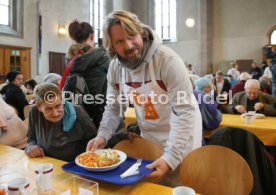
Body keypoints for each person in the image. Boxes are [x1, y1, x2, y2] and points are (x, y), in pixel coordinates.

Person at [86, 10, 202, 179]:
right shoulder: (115, 68)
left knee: (180, 183)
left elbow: (184, 112)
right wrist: (103, 134)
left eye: (131, 36)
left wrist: (171, 156)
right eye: (119, 41)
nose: (128, 45)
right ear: (112, 45)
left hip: (182, 136)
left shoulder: (167, 61)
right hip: (150, 135)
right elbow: (113, 107)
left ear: (141, 33)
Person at [25, 83, 97, 161]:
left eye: (58, 106)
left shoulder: (78, 112)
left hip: (74, 164)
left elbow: (94, 141)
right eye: (48, 109)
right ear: (38, 107)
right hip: (45, 162)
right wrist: (31, 147)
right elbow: (31, 139)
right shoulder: (34, 112)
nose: (55, 113)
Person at [62, 20, 110, 128]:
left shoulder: (69, 59)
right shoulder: (103, 57)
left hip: (77, 113)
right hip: (101, 114)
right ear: (92, 36)